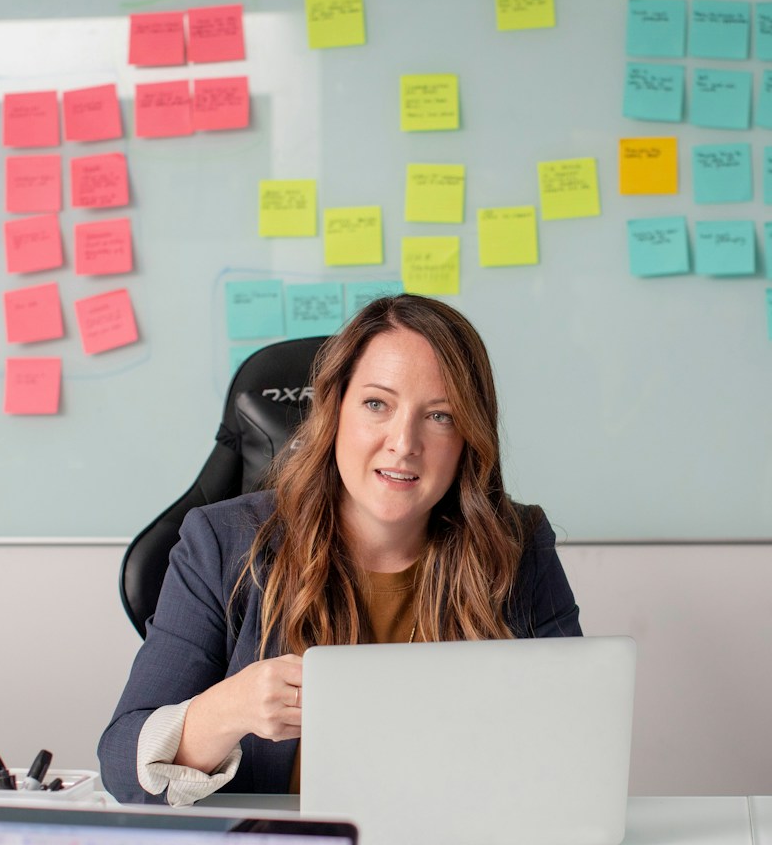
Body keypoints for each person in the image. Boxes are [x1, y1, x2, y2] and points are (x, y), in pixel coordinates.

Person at [99, 295, 582, 804]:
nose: (403, 442)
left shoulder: (517, 544)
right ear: (335, 411)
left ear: (468, 436)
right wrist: (229, 709)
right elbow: (121, 769)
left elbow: (578, 739)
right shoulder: (223, 543)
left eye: (439, 415)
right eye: (377, 404)